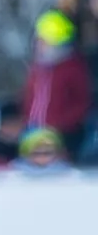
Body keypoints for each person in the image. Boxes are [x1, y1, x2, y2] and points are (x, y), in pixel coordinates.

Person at [21, 9, 91, 152]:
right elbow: (30, 97)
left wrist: (60, 124)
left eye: (44, 41)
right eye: (38, 40)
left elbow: (81, 103)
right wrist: (26, 119)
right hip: (33, 130)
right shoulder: (38, 68)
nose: (39, 45)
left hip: (63, 134)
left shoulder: (72, 68)